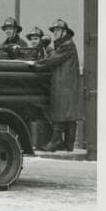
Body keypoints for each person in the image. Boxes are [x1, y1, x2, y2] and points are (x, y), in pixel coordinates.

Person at [34, 19, 83, 152]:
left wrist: (35, 64)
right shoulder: (65, 44)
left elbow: (53, 60)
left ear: (64, 32)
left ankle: (56, 143)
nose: (55, 33)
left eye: (57, 30)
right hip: (66, 84)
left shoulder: (66, 45)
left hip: (65, 84)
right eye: (54, 31)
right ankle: (68, 144)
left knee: (61, 113)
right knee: (68, 114)